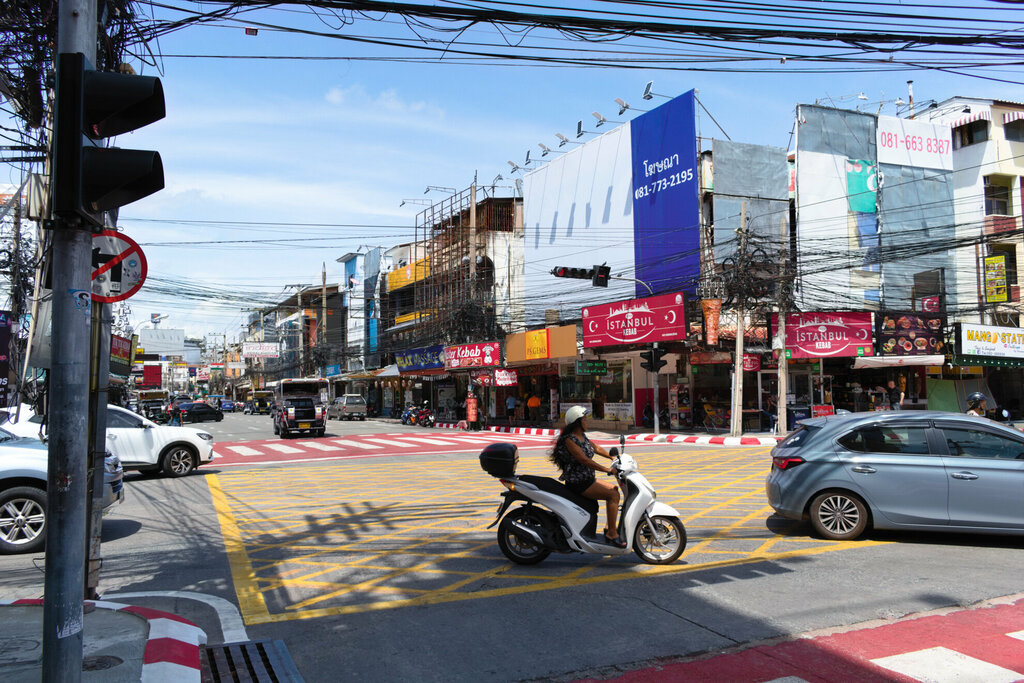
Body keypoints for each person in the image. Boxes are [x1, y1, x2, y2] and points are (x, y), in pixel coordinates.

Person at [549, 405, 625, 548]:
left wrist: (612, 457)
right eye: (584, 419)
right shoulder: (569, 440)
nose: (587, 422)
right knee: (613, 495)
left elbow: (596, 448)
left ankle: (610, 528)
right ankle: (612, 534)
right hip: (578, 482)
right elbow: (584, 460)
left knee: (614, 489)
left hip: (587, 480)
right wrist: (607, 469)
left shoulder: (581, 436)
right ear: (577, 422)